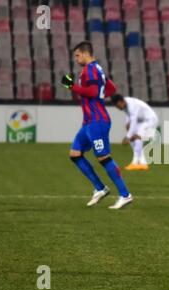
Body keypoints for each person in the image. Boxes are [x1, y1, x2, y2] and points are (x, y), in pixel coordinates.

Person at [61, 41, 133, 209]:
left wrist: (72, 86)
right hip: (88, 122)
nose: (76, 59)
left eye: (78, 55)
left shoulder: (90, 70)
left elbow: (93, 92)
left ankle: (125, 194)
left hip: (97, 121)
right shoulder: (97, 69)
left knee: (103, 157)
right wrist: (98, 97)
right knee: (75, 154)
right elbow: (111, 88)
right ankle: (100, 188)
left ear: (86, 54)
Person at [111, 94, 159, 171]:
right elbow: (129, 117)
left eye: (117, 105)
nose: (117, 108)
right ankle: (143, 163)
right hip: (142, 121)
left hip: (150, 120)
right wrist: (127, 125)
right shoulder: (125, 103)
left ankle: (135, 163)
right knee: (134, 138)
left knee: (137, 136)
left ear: (121, 101)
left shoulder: (132, 105)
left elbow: (133, 121)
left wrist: (127, 136)